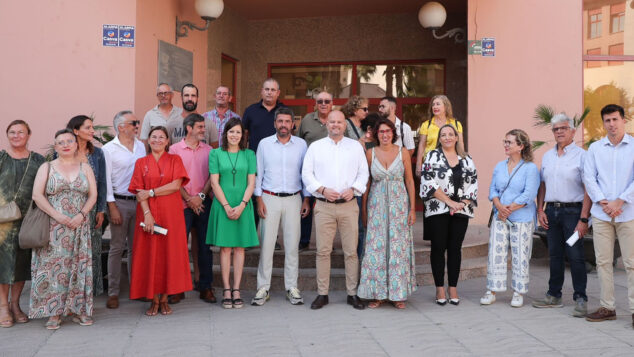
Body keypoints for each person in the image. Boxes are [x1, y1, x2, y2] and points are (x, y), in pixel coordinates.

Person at [29, 129, 97, 330]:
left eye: (69, 141)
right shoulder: (47, 167)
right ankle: (54, 312)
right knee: (51, 269)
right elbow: (37, 195)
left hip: (79, 226)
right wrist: (57, 216)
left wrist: (81, 215)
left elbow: (93, 195)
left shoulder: (85, 167)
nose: (66, 144)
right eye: (61, 142)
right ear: (55, 146)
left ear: (76, 144)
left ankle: (78, 310)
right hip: (53, 226)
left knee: (79, 267)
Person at [302, 110, 369, 310]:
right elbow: (307, 174)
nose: (336, 125)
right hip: (324, 206)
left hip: (349, 206)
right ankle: (322, 294)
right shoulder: (316, 147)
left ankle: (352, 293)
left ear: (344, 125)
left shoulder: (355, 147)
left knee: (351, 252)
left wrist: (355, 189)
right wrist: (321, 189)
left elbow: (363, 173)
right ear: (327, 124)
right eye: (332, 122)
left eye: (339, 122)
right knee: (323, 252)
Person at [128, 126, 192, 316]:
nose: (157, 140)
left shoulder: (175, 159)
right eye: (153, 137)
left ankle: (165, 298)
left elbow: (175, 185)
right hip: (147, 214)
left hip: (171, 215)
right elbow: (139, 191)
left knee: (169, 255)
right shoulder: (141, 162)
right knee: (150, 255)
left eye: (161, 137)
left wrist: (153, 191)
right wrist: (147, 213)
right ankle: (153, 300)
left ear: (167, 141)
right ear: (148, 140)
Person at [532, 113, 590, 317]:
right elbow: (542, 185)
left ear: (573, 131)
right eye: (555, 129)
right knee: (554, 254)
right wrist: (540, 209)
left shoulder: (582, 156)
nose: (559, 132)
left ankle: (581, 298)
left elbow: (588, 189)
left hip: (573, 212)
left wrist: (584, 219)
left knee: (575, 255)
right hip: (551, 211)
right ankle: (553, 295)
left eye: (563, 128)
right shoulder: (548, 156)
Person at [252, 107, 310, 306]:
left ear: (293, 124)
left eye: (287, 121)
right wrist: (258, 199)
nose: (284, 125)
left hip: (294, 198)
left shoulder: (301, 145)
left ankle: (292, 287)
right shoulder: (264, 144)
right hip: (269, 198)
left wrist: (306, 199)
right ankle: (263, 288)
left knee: (292, 246)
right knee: (267, 245)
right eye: (280, 121)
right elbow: (258, 173)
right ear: (275, 123)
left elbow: (305, 173)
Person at [583, 104, 634, 326]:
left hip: (628, 212)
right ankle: (607, 307)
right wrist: (604, 201)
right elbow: (588, 177)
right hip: (602, 214)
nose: (611, 124)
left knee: (632, 263)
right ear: (603, 123)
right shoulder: (595, 148)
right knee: (603, 262)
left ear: (624, 120)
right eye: (607, 120)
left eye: (615, 119)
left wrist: (620, 200)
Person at [358, 118, 417, 309]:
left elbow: (409, 181)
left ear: (393, 134)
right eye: (381, 132)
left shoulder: (403, 153)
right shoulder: (370, 153)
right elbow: (366, 184)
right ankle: (378, 294)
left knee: (398, 249)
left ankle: (398, 294)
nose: (385, 135)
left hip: (399, 207)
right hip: (376, 207)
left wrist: (412, 209)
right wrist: (364, 211)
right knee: (376, 249)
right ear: (376, 134)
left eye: (388, 131)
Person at [480, 129, 539, 308]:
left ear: (520, 146)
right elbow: (492, 190)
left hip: (521, 217)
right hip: (500, 216)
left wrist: (510, 208)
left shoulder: (530, 168)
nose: (506, 145)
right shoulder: (499, 166)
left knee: (520, 253)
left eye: (510, 142)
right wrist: (499, 207)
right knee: (496, 253)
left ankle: (518, 291)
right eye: (505, 141)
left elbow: (529, 194)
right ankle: (492, 290)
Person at [420, 124, 478, 306]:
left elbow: (473, 183)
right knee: (438, 248)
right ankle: (439, 288)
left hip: (461, 210)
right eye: (443, 135)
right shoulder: (432, 156)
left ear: (456, 137)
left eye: (450, 134)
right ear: (439, 138)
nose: (447, 138)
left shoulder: (466, 158)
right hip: (438, 208)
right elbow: (428, 181)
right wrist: (449, 202)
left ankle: (453, 287)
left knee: (455, 248)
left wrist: (462, 203)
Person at [207, 118, 259, 309]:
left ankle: (237, 289)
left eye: (238, 132)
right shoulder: (215, 154)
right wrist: (227, 206)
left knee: (239, 248)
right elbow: (214, 183)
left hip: (243, 206)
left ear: (242, 135)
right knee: (225, 248)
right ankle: (226, 289)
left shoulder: (249, 154)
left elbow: (251, 183)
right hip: (223, 205)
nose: (234, 135)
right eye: (231, 132)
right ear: (225, 134)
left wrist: (243, 204)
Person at [0, 120, 45, 328]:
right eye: (12, 132)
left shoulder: (38, 160)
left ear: (29, 135)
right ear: (7, 135)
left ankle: (15, 304)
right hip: (2, 223)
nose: (16, 135)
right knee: (3, 264)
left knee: (21, 264)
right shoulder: (1, 158)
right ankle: (3, 307)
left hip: (28, 220)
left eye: (21, 132)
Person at [102, 111, 147, 309]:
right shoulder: (108, 149)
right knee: (117, 248)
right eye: (134, 123)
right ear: (121, 127)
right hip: (119, 202)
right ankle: (113, 292)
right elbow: (106, 181)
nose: (138, 125)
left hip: (139, 202)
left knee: (137, 248)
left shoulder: (141, 146)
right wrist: (112, 207)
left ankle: (136, 289)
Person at [170, 114, 216, 304]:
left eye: (203, 127)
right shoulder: (174, 150)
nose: (203, 130)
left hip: (204, 203)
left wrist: (200, 197)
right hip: (181, 204)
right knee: (179, 247)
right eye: (199, 127)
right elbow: (173, 179)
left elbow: (211, 178)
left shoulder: (210, 150)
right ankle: (177, 288)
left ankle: (205, 287)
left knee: (205, 247)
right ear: (189, 128)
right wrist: (189, 199)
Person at [66, 115, 107, 297]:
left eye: (92, 127)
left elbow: (103, 183)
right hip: (68, 211)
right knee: (70, 253)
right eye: (88, 128)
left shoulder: (97, 153)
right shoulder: (63, 151)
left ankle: (90, 293)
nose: (92, 131)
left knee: (93, 252)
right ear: (76, 131)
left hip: (91, 211)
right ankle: (70, 292)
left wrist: (101, 209)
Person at [297, 91, 333, 250]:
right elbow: (298, 142)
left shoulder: (337, 119)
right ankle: (304, 241)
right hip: (309, 172)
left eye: (327, 101)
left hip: (330, 172)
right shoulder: (307, 120)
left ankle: (327, 243)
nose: (323, 104)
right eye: (320, 101)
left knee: (328, 209)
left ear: (332, 103)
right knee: (306, 205)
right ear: (315, 104)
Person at [342, 95, 370, 257]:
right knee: (354, 221)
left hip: (366, 173)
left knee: (362, 220)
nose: (367, 112)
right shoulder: (345, 125)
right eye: (364, 109)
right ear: (354, 109)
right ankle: (352, 255)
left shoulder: (368, 126)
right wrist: (357, 143)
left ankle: (361, 255)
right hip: (350, 176)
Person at [415, 95, 464, 175]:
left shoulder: (456, 124)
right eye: (433, 105)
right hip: (430, 165)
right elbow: (422, 145)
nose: (434, 107)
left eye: (438, 104)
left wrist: (463, 162)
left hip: (452, 164)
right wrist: (418, 165)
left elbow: (460, 144)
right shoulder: (426, 125)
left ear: (446, 106)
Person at [243, 78, 285, 153]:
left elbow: (290, 134)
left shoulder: (285, 111)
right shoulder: (250, 110)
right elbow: (244, 135)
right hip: (255, 157)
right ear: (262, 91)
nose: (269, 92)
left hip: (279, 156)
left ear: (278, 93)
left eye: (273, 90)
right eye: (267, 89)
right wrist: (242, 155)